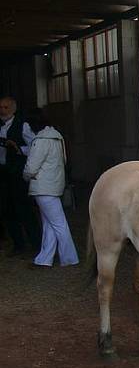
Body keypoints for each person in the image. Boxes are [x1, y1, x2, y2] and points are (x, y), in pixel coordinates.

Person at [22, 111, 78, 267]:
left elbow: (31, 167)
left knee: (58, 224)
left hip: (42, 186)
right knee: (51, 225)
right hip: (55, 184)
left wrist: (26, 176)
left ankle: (70, 258)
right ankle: (44, 259)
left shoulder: (40, 140)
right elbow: (64, 161)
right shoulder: (57, 138)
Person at [0, 96, 40, 255]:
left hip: (17, 173)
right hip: (3, 172)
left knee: (24, 209)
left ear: (13, 109)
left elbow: (35, 147)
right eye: (1, 107)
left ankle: (36, 244)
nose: (2, 110)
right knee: (7, 210)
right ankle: (18, 245)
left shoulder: (22, 125)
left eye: (5, 107)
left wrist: (18, 149)